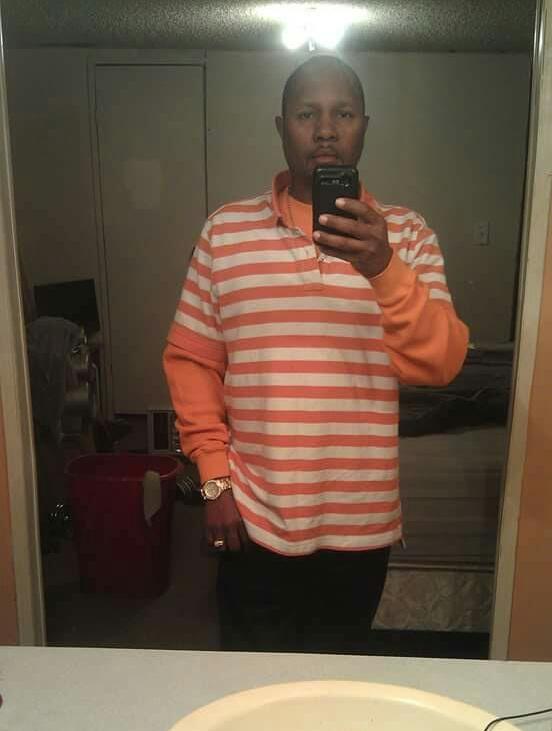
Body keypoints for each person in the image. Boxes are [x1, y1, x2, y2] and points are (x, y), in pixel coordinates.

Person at [163, 55, 469, 654]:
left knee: (337, 679)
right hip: (254, 514)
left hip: (361, 521)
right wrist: (214, 483)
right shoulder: (225, 231)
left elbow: (441, 363)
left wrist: (382, 267)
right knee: (253, 676)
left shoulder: (406, 234)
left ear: (364, 127)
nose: (326, 130)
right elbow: (193, 361)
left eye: (343, 114)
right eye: (307, 114)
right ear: (282, 127)